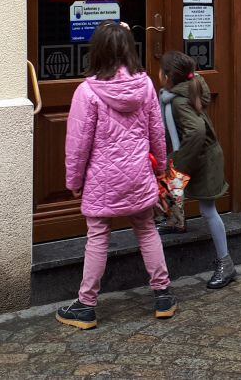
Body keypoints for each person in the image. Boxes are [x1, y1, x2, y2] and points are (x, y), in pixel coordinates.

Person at [56, 22, 177, 330]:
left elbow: (77, 144)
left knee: (97, 237)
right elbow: (157, 132)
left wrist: (74, 182)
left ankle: (86, 305)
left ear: (97, 51)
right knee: (147, 230)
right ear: (129, 49)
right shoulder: (146, 85)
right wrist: (161, 168)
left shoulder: (87, 92)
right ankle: (163, 295)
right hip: (138, 175)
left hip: (103, 179)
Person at [158, 50, 237, 290]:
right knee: (171, 186)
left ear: (168, 76)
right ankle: (176, 222)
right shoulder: (187, 89)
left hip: (202, 160)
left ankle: (226, 262)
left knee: (208, 209)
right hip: (198, 157)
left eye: (161, 71)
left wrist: (182, 163)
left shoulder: (180, 101)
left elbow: (197, 131)